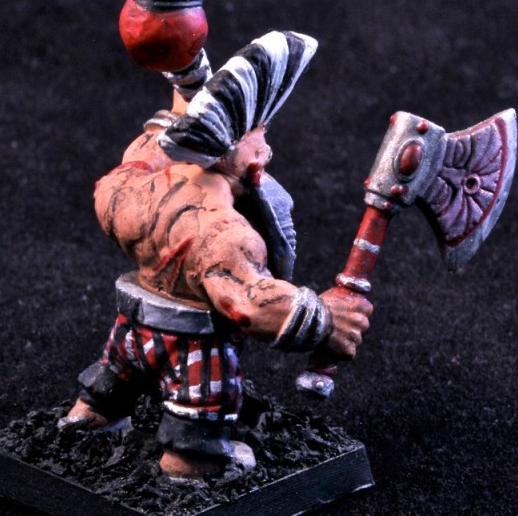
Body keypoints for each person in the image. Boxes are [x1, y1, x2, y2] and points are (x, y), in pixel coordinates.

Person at [58, 31, 373, 481]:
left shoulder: (127, 184)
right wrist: (325, 319)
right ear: (232, 153)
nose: (266, 149)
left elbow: (156, 142)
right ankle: (191, 465)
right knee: (204, 408)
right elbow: (251, 304)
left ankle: (90, 415)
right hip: (195, 346)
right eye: (259, 136)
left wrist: (189, 82)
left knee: (116, 376)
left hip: (132, 329)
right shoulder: (226, 234)